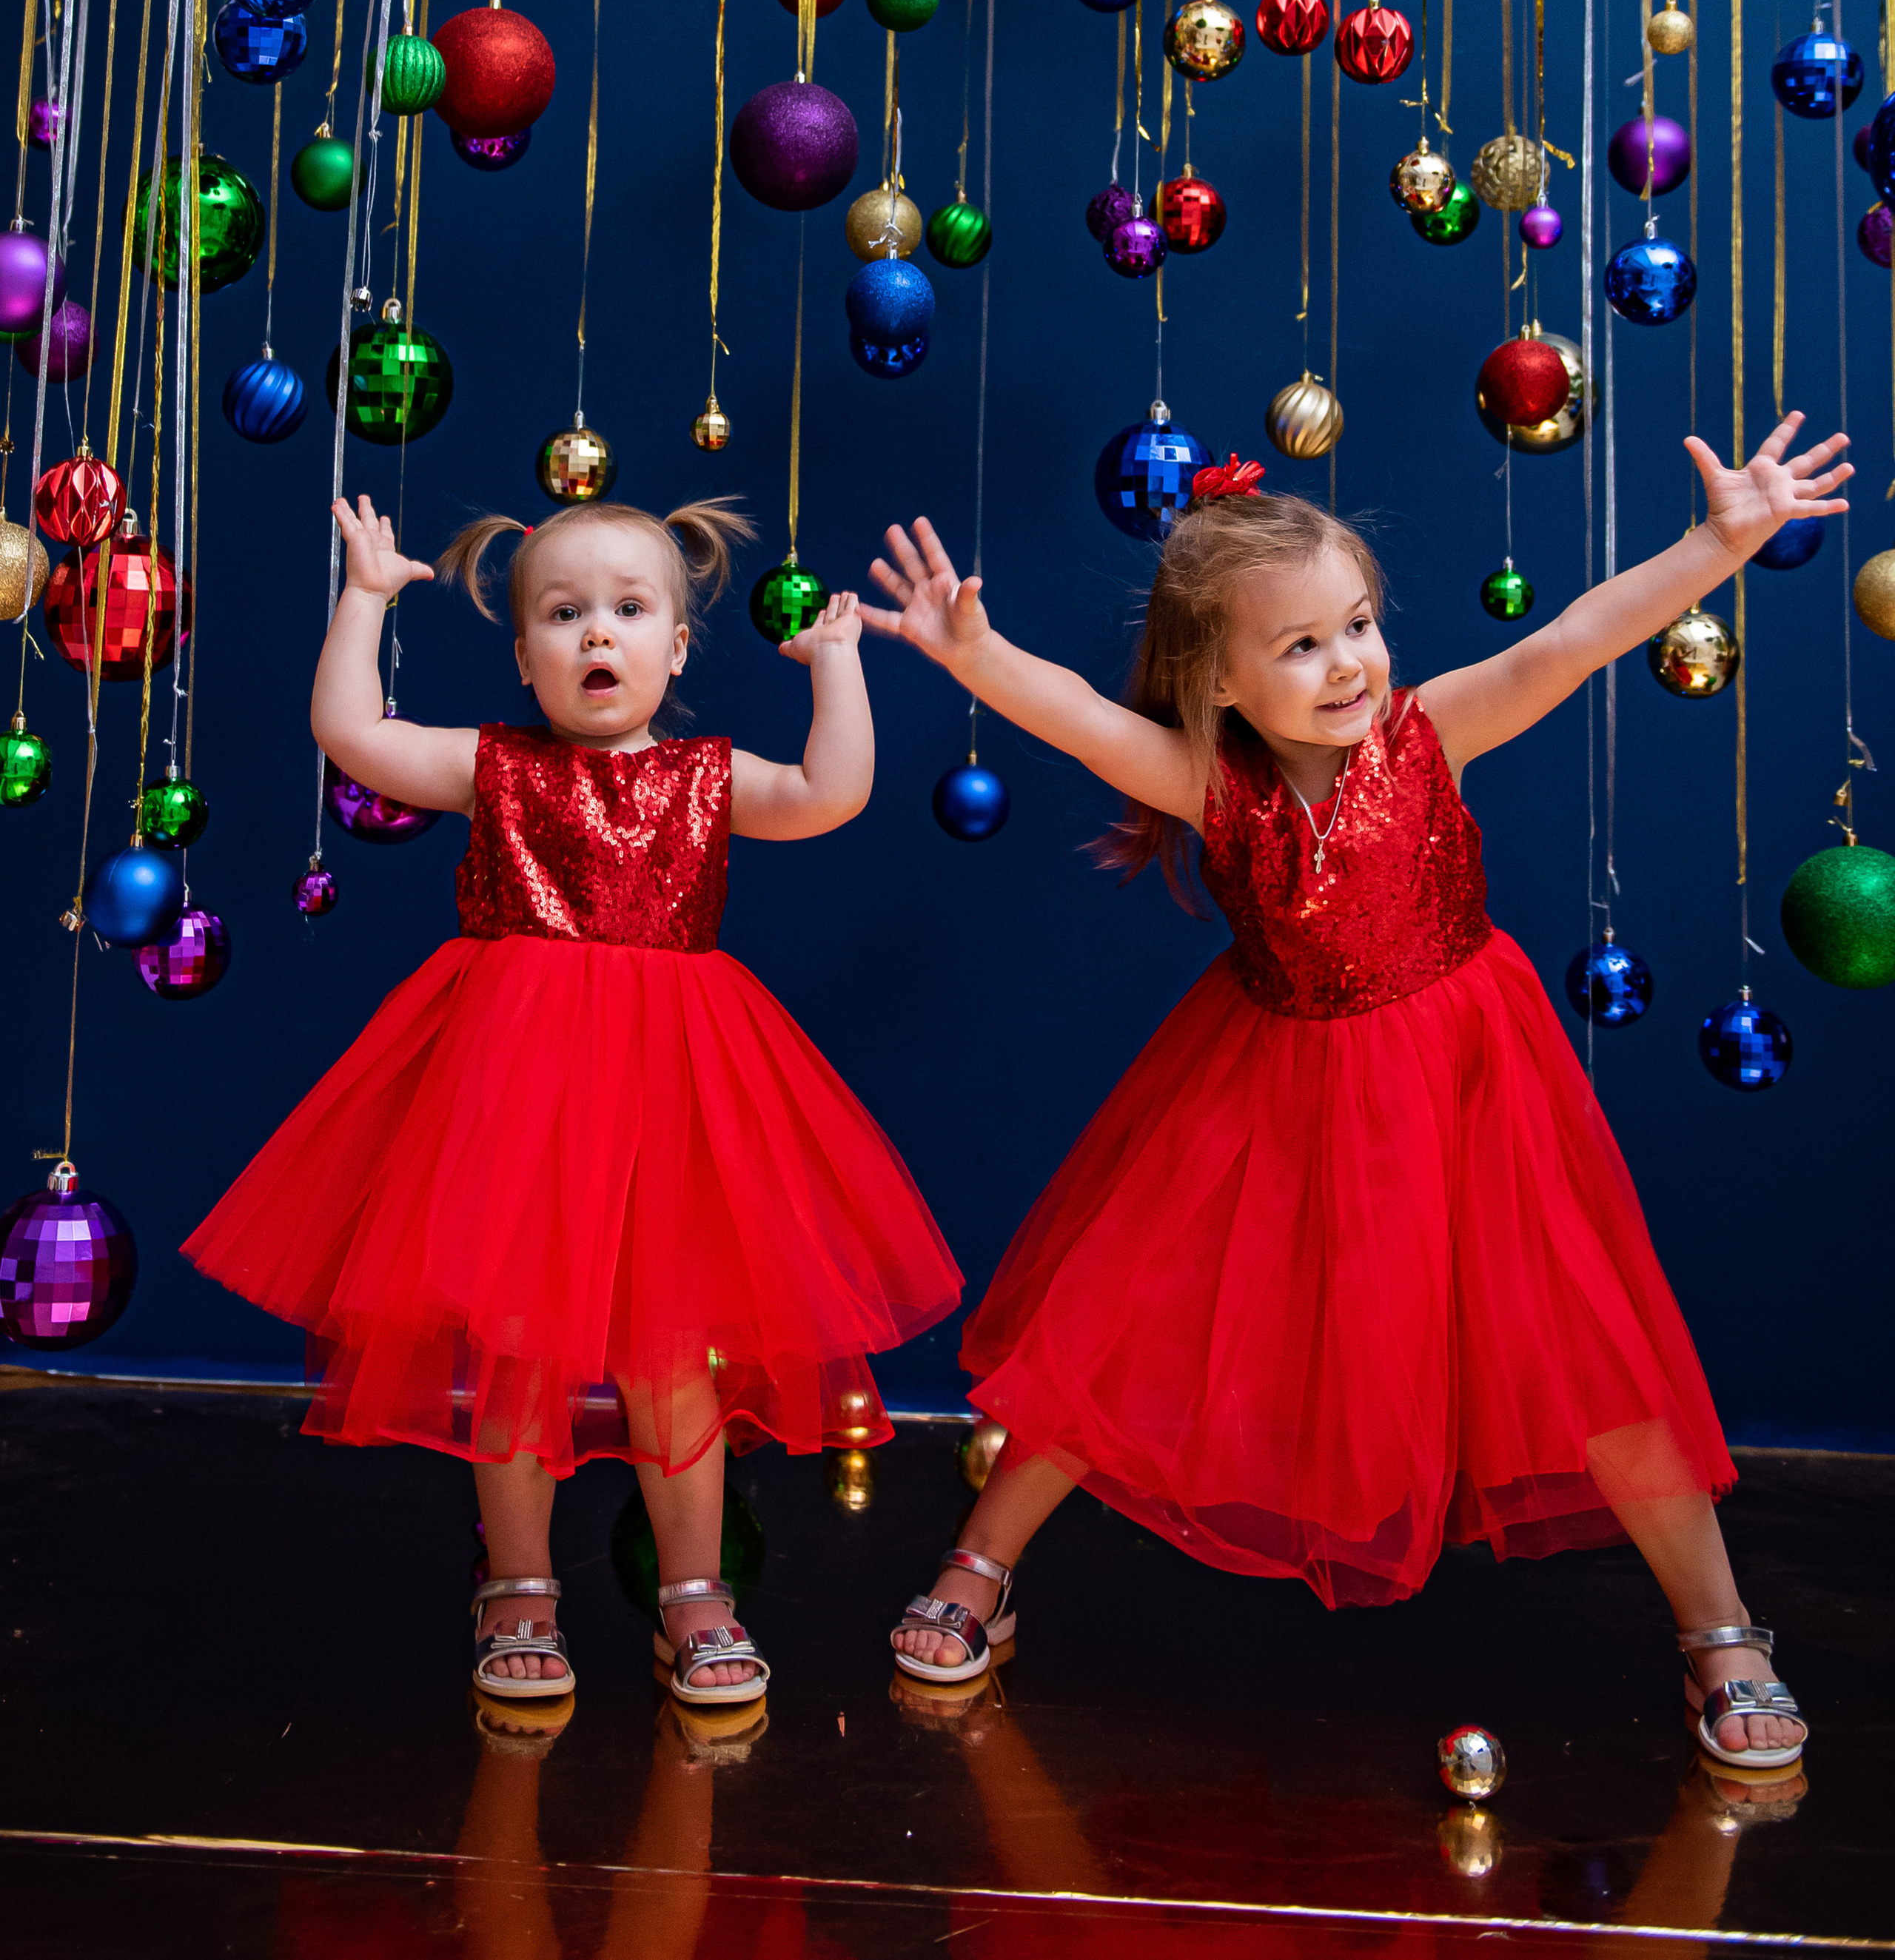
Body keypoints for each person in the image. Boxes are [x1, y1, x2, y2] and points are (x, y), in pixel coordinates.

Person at [865, 417, 1848, 1769]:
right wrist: (979, 658)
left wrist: (1715, 541)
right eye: (1304, 645)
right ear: (1217, 681)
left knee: (1586, 1342)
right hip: (1276, 1081)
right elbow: (1087, 721)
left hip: (1466, 1078)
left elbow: (1571, 637)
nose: (1351, 665)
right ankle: (981, 1564)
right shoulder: (1210, 781)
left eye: (1360, 624)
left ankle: (1722, 1627)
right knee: (1131, 1315)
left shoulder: (1432, 732)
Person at [184, 492, 959, 1709]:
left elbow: (831, 792)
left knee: (671, 1358)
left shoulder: (709, 778)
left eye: (628, 610)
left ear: (677, 647)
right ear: (523, 652)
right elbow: (349, 731)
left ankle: (695, 1589)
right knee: (519, 1352)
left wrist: (840, 667)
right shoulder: (492, 765)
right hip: (517, 1092)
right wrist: (366, 595)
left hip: (673, 1097)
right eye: (564, 613)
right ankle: (520, 1581)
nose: (597, 635)